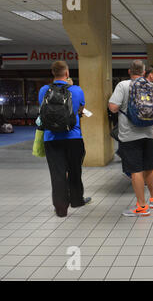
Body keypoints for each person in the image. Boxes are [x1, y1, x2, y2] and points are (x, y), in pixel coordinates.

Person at [108, 60, 153, 217]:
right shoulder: (152, 86)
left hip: (130, 136)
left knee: (136, 170)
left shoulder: (123, 86)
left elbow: (113, 108)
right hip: (150, 134)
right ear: (143, 72)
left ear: (130, 71)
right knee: (149, 167)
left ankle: (142, 206)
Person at [38, 61, 90, 217]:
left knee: (57, 173)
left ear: (53, 73)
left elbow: (43, 109)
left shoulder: (44, 90)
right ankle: (76, 200)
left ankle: (61, 209)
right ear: (67, 74)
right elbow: (80, 109)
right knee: (74, 170)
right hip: (73, 137)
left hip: (51, 138)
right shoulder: (76, 90)